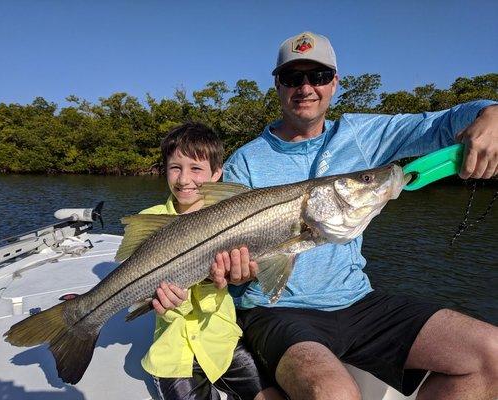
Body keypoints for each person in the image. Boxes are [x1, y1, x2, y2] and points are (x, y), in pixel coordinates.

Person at [210, 32, 498, 400]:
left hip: (359, 302)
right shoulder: (246, 163)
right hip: (276, 310)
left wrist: (490, 113)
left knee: (491, 355)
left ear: (335, 82)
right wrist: (235, 273)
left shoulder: (364, 135)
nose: (306, 88)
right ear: (278, 85)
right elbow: (236, 273)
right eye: (293, 78)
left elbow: (439, 124)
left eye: (318, 76)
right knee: (334, 394)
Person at [139, 122, 283, 400]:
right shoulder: (151, 218)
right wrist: (160, 302)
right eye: (175, 167)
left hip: (222, 343)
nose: (184, 179)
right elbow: (140, 292)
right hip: (173, 354)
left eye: (196, 168)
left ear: (217, 173)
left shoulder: (236, 217)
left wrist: (248, 274)